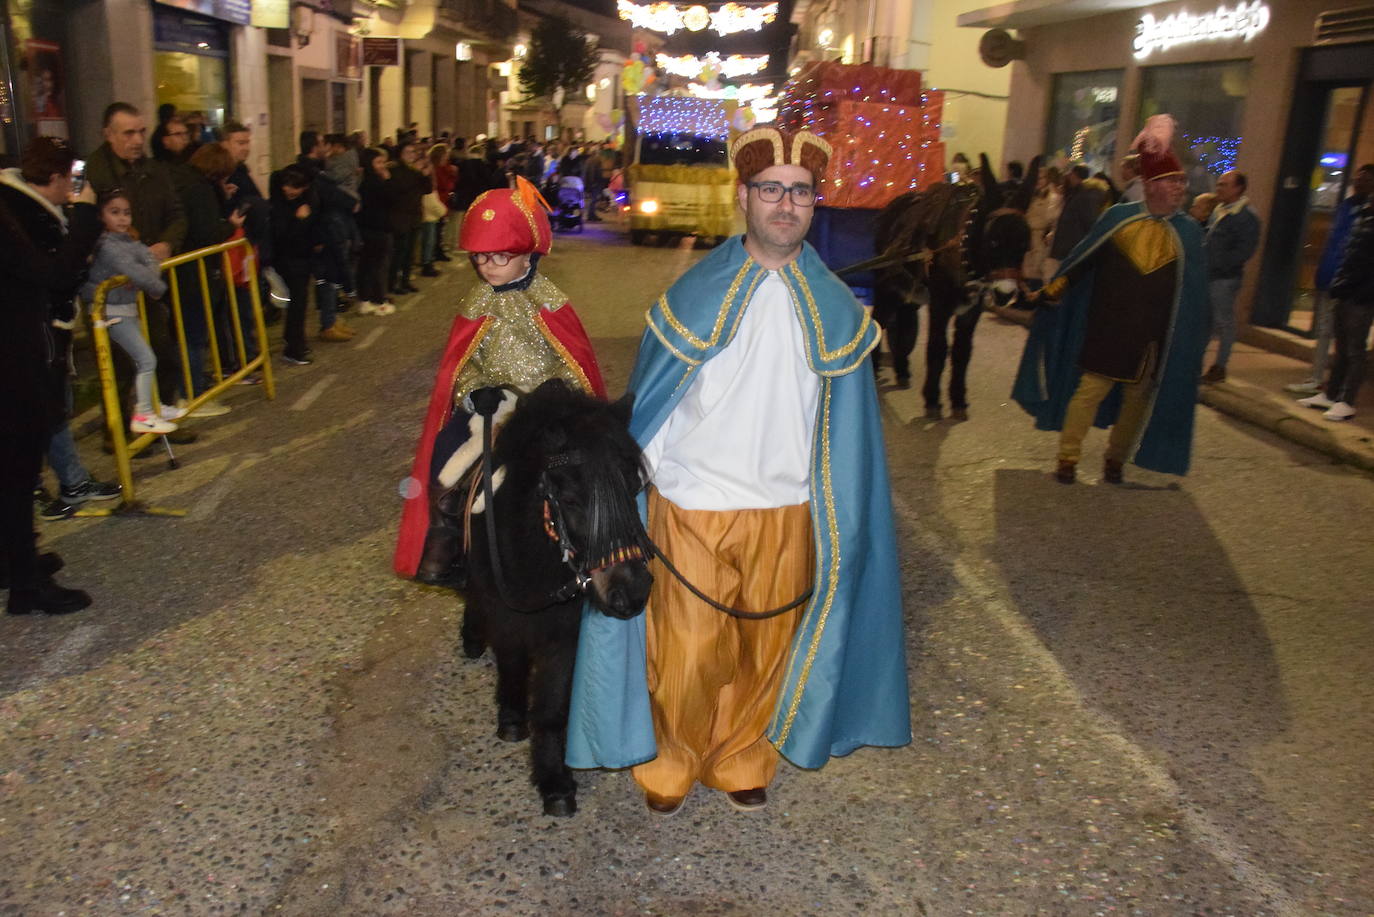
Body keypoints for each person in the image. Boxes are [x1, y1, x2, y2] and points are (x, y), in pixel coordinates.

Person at [565, 127, 911, 815]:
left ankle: (740, 750)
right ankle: (676, 749)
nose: (786, 204)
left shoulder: (837, 308)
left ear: (816, 204)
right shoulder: (695, 294)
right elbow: (654, 401)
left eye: (801, 192)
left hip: (787, 508)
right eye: (772, 189)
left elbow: (846, 433)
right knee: (690, 650)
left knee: (765, 649)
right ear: (744, 196)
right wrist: (647, 484)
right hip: (694, 501)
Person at [393, 181, 605, 585]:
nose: (488, 266)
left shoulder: (548, 301)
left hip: (544, 404)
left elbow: (573, 360)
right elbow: (463, 363)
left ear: (528, 255)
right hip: (492, 403)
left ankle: (589, 540)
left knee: (582, 464)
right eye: (480, 258)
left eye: (499, 257)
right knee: (447, 450)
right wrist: (473, 390)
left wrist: (557, 388)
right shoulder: (476, 302)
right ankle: (445, 535)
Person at [1011, 114, 1210, 485]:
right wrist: (1053, 289)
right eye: (1172, 182)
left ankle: (1115, 460)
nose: (1180, 188)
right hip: (1109, 329)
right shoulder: (1119, 219)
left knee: (1137, 402)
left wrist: (1194, 338)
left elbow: (1196, 295)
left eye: (1182, 182)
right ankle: (1068, 459)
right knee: (1088, 393)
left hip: (1153, 339)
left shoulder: (1189, 233)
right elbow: (1082, 262)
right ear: (1150, 185)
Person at [0, 137, 103, 614]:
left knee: (14, 473)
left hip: (16, 353)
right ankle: (24, 586)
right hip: (11, 362)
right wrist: (84, 217)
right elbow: (53, 274)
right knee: (17, 472)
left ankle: (15, 564)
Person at [86, 102, 188, 433]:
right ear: (108, 134)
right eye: (128, 132)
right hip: (111, 288)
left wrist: (166, 245)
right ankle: (117, 433)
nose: (137, 139)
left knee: (162, 352)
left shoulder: (155, 170)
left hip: (145, 280)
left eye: (141, 132)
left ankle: (161, 412)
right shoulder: (92, 172)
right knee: (118, 365)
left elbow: (176, 214)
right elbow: (83, 226)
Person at [81, 189, 179, 435]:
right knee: (145, 360)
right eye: (115, 213)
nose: (123, 219)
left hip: (125, 309)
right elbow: (141, 270)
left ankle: (148, 409)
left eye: (126, 213)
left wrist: (147, 277)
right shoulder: (107, 245)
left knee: (143, 360)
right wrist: (152, 284)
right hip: (111, 311)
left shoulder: (128, 242)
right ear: (102, 216)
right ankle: (144, 412)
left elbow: (148, 263)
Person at [1286, 164, 1374, 395]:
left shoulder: (1364, 214)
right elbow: (1337, 244)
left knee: (1350, 345)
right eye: (1357, 178)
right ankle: (1321, 381)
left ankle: (1341, 393)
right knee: (1328, 332)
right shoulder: (1348, 207)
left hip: (1353, 287)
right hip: (1334, 279)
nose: (1359, 183)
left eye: (1365, 180)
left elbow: (1356, 253)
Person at [1200, 170, 1261, 383]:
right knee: (1206, 322)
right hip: (1210, 274)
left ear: (1238, 188)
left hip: (1225, 278)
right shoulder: (1220, 209)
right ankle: (1196, 362)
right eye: (1219, 184)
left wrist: (1220, 265)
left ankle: (1220, 367)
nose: (1219, 189)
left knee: (1224, 323)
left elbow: (1244, 251)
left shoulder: (1246, 216)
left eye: (1224, 185)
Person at [1044, 164, 1109, 278]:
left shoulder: (1086, 196)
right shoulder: (1081, 194)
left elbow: (1090, 223)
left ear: (1075, 176)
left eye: (1070, 175)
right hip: (1069, 248)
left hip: (1070, 249)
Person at [354, 148, 398, 317]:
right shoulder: (375, 183)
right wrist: (388, 180)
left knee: (367, 265)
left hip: (367, 228)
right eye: (378, 162)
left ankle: (365, 299)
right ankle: (379, 301)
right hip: (377, 229)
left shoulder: (364, 182)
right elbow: (391, 200)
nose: (382, 166)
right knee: (377, 266)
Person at [388, 139, 427, 296]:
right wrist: (416, 173)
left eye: (413, 152)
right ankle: (393, 282)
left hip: (414, 215)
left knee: (409, 251)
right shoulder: (396, 170)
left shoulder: (414, 171)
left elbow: (427, 188)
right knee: (399, 252)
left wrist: (423, 174)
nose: (412, 155)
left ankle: (405, 280)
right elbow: (400, 188)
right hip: (400, 215)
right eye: (408, 153)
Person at [1021, 164, 1062, 289]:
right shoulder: (1032, 196)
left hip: (1040, 241)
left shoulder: (1053, 198)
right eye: (1036, 178)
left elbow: (1051, 219)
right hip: (1028, 240)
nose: (1038, 181)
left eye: (1041, 178)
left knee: (1036, 273)